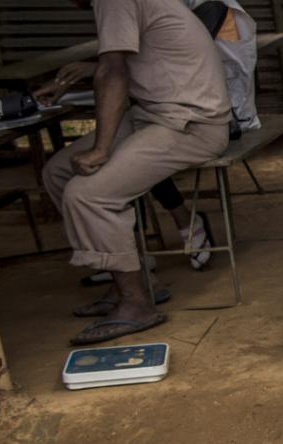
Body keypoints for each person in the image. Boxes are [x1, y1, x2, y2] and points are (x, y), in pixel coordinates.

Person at [42, 0, 231, 345]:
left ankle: (136, 304)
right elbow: (131, 60)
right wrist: (88, 71)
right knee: (57, 172)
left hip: (190, 122)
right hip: (155, 114)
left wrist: (101, 149)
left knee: (88, 194)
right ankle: (136, 280)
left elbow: (113, 72)